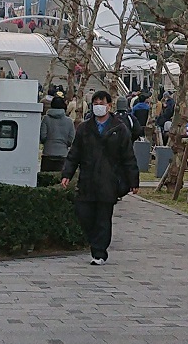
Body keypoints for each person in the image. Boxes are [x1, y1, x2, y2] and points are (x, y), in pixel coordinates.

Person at [58, 90, 139, 264]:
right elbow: (74, 153)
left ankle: (99, 252)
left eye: (101, 103)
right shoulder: (84, 128)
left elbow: (128, 157)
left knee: (103, 218)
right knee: (84, 214)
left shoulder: (119, 128)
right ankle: (94, 241)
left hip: (109, 180)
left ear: (109, 106)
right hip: (87, 179)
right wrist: (67, 174)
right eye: (95, 104)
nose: (98, 107)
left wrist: (133, 180)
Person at [40, 95, 73, 174]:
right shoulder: (69, 121)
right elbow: (71, 139)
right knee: (60, 179)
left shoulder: (46, 119)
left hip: (48, 154)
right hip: (63, 155)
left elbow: (43, 137)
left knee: (45, 178)